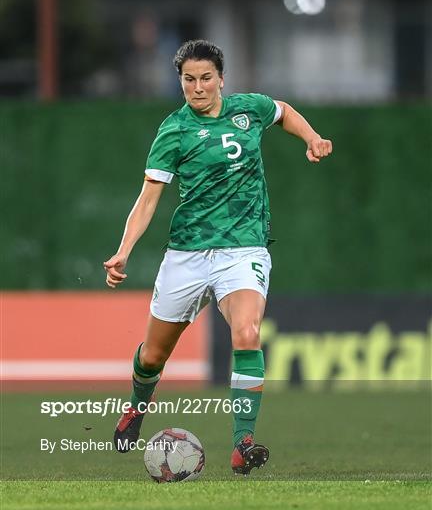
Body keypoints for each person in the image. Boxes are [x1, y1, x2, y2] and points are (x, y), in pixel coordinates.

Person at [104, 39, 332, 475]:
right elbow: (148, 199)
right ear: (180, 82)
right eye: (188, 79)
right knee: (153, 356)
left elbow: (282, 110)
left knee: (246, 332)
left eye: (206, 78)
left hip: (244, 248)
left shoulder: (249, 109)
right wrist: (123, 250)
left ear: (221, 79)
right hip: (187, 254)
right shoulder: (173, 131)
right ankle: (135, 408)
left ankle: (242, 443)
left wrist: (312, 136)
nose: (198, 87)